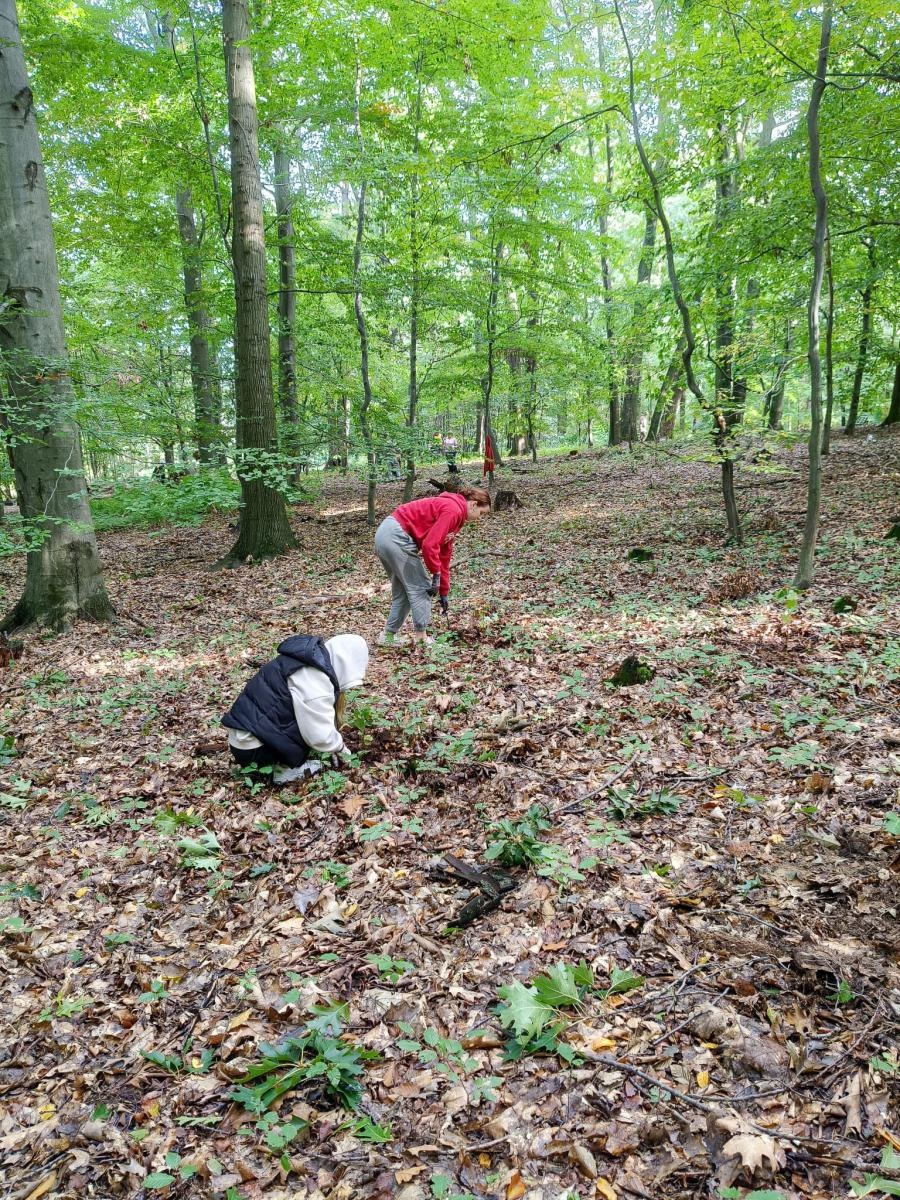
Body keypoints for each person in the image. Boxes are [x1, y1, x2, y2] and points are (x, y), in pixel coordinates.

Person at [222, 634, 369, 783]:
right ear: (346, 664)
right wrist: (341, 750)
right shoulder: (316, 678)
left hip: (246, 740)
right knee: (311, 730)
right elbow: (319, 736)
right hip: (256, 749)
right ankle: (281, 772)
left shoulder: (306, 661)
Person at [374, 487, 491, 646]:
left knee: (403, 591)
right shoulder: (453, 510)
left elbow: (444, 555)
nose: (479, 518)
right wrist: (435, 574)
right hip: (396, 536)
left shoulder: (456, 516)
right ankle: (421, 639)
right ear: (473, 504)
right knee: (422, 588)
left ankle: (387, 637)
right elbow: (430, 546)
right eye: (481, 513)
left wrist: (444, 591)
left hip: (386, 534)